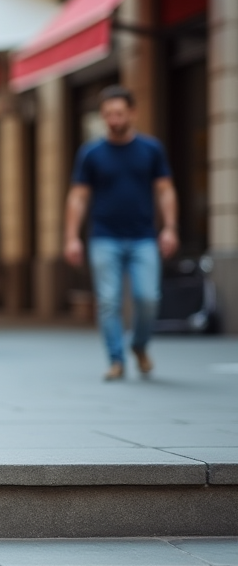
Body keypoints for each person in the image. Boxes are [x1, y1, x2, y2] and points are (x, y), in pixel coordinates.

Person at [64, 85, 178, 381]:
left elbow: (165, 191)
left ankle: (138, 345)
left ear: (132, 113)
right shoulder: (91, 153)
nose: (113, 120)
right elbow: (78, 196)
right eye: (107, 115)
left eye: (118, 113)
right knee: (108, 301)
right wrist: (71, 237)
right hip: (104, 238)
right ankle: (116, 360)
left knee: (148, 297)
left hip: (143, 237)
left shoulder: (151, 149)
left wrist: (170, 228)